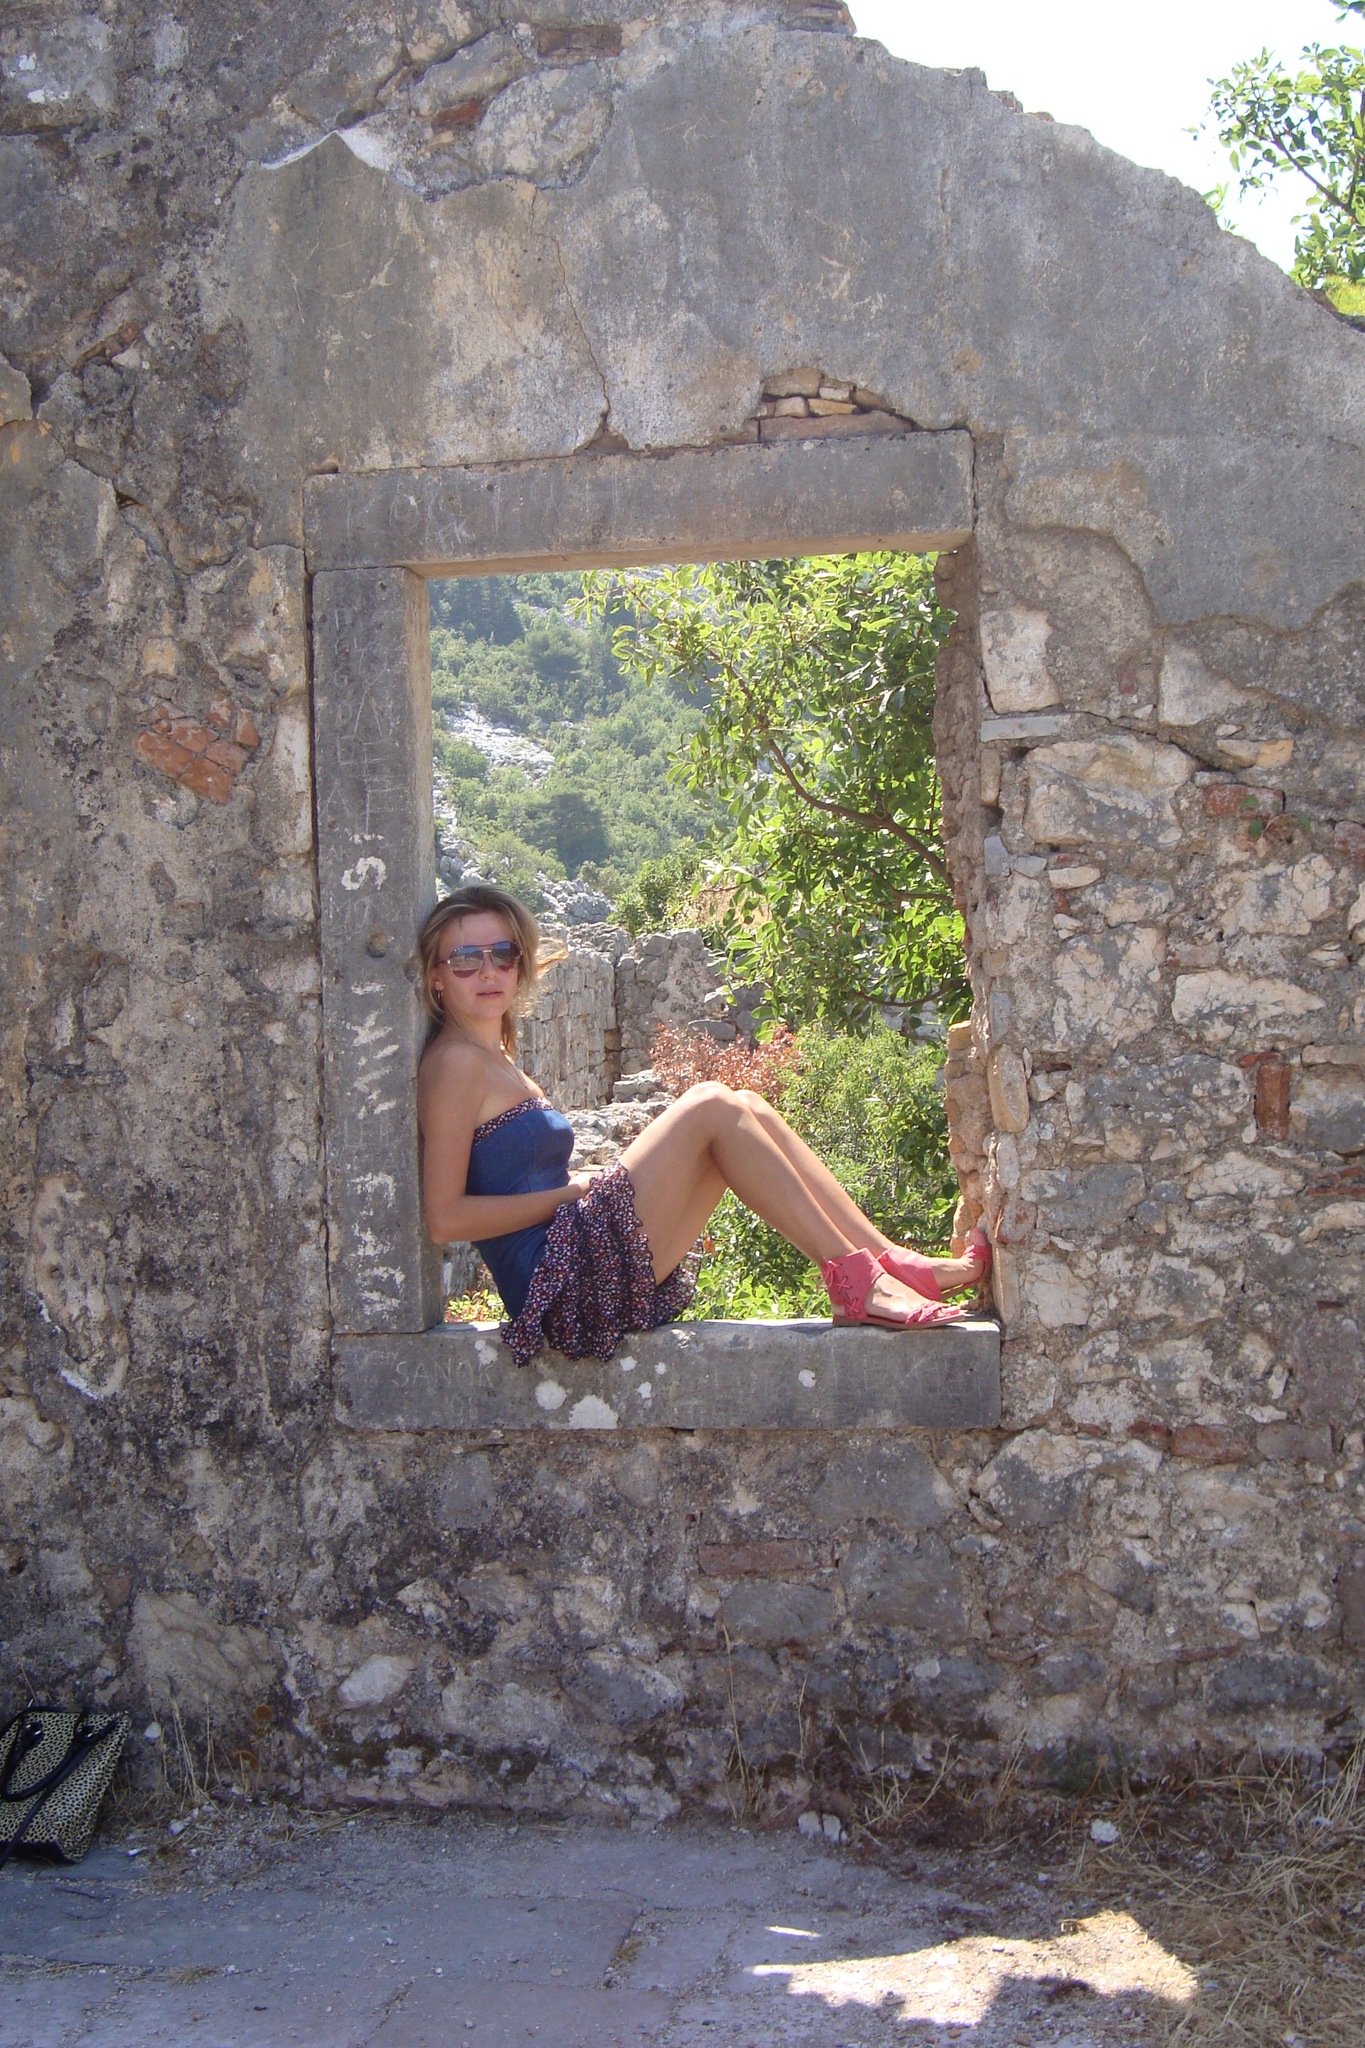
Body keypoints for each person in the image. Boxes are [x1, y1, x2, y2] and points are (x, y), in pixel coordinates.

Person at [417, 884, 990, 1367]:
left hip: (571, 1255)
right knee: (713, 1103)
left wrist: (577, 1187)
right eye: (465, 959)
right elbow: (445, 1219)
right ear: (437, 977)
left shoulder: (495, 1055)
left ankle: (889, 1262)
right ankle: (855, 1281)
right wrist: (570, 1193)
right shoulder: (455, 1064)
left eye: (503, 954)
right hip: (555, 1285)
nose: (488, 971)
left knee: (748, 1106)